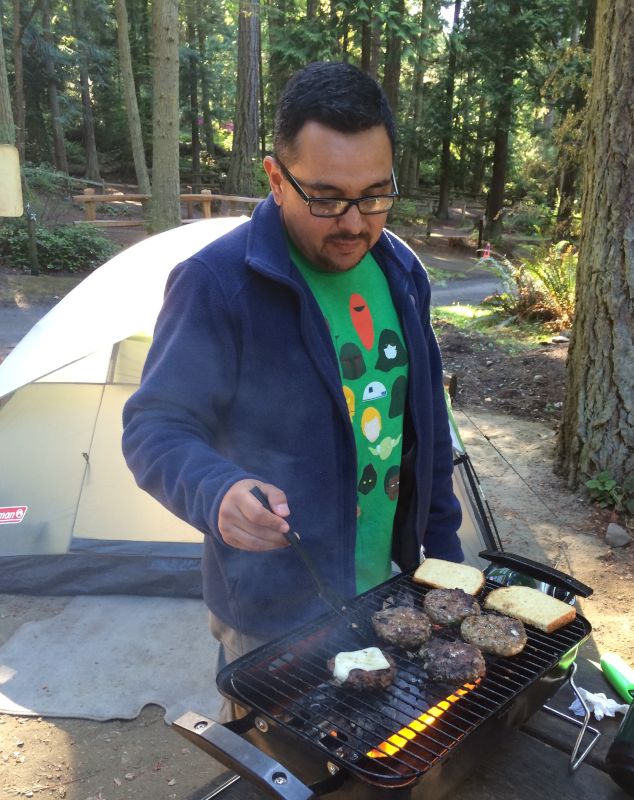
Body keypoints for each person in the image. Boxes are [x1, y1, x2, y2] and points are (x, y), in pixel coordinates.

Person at [122, 61, 463, 719]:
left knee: (374, 743)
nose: (356, 223)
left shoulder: (401, 272)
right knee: (278, 761)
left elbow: (424, 429)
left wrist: (443, 562)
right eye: (327, 196)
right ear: (276, 178)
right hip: (272, 609)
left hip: (392, 583)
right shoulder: (218, 285)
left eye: (375, 194)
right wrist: (215, 489)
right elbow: (154, 426)